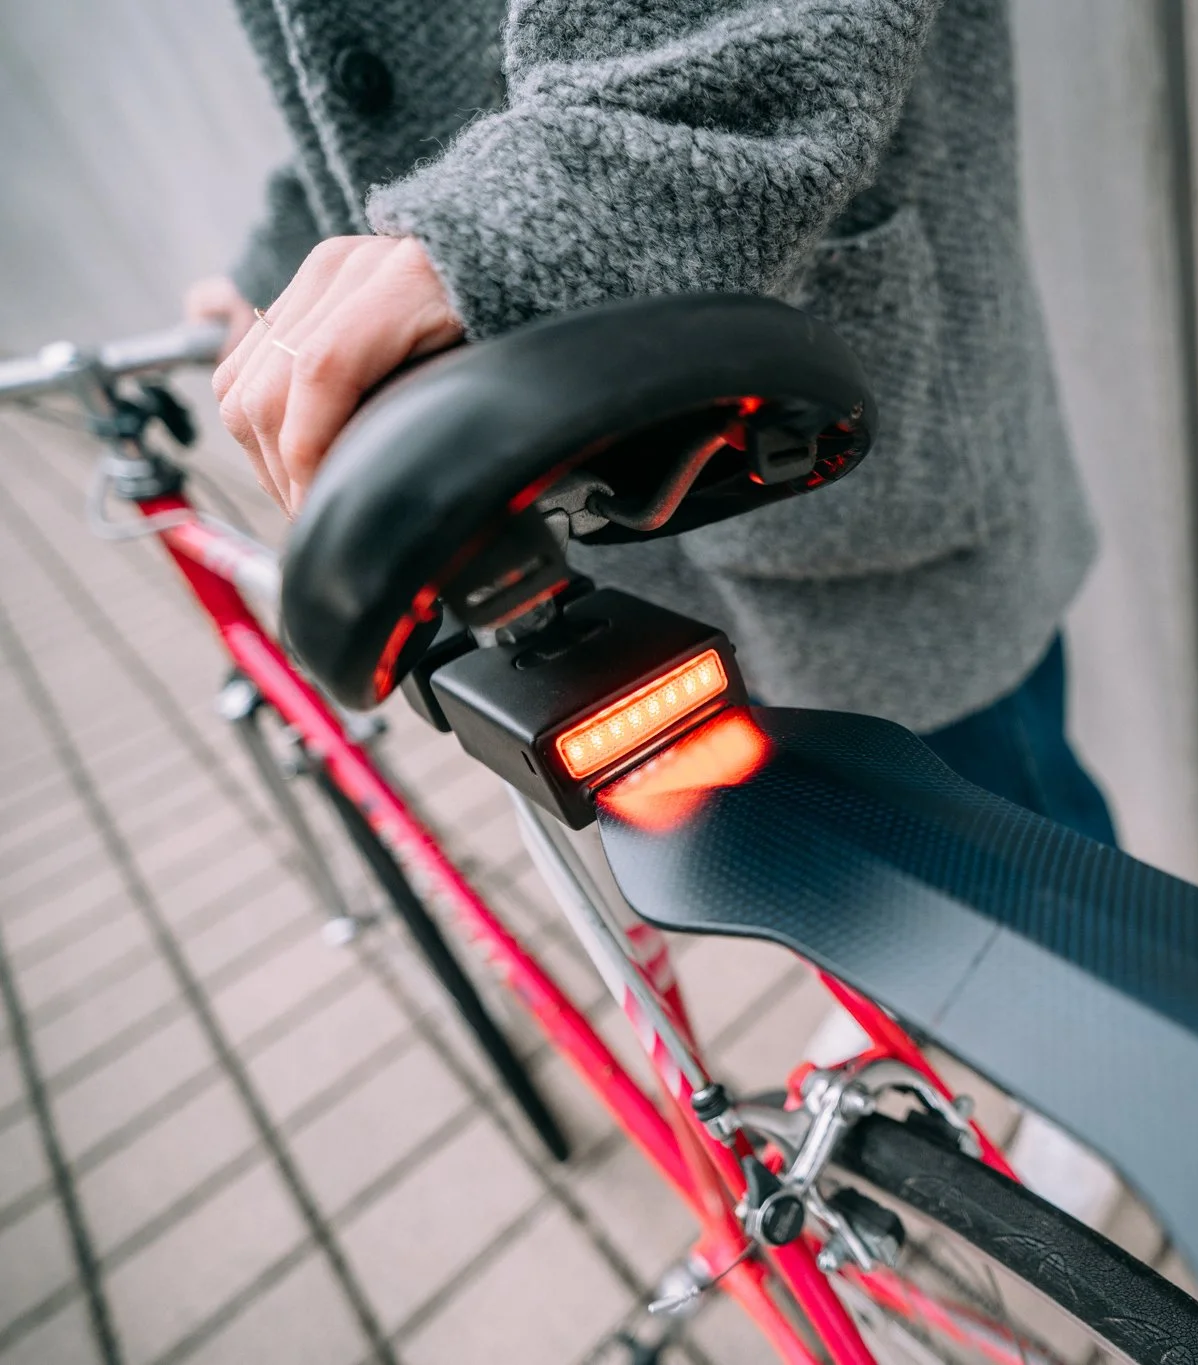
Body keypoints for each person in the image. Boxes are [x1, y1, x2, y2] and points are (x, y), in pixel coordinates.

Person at [191, 0, 1120, 1216]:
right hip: (631, 482)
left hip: (831, 386)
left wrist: (521, 222)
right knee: (832, 816)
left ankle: (1091, 1081)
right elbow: (363, 56)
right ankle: (930, 1000)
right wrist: (281, 267)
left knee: (1008, 810)